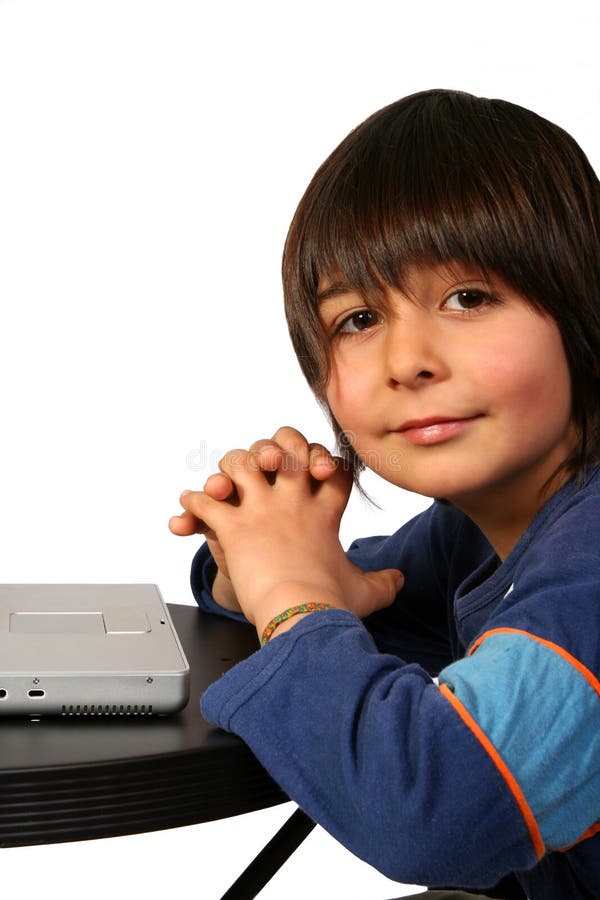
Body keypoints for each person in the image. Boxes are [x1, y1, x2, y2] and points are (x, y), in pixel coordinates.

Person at [169, 90, 600, 899]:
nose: (408, 360)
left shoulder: (591, 574)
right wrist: (255, 557)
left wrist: (291, 592)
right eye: (359, 318)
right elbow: (351, 603)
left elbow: (433, 808)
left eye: (468, 298)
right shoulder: (477, 531)